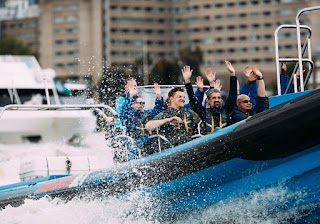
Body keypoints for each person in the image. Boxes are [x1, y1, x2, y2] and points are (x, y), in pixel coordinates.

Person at [181, 60, 238, 133]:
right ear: (208, 100)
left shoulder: (226, 110)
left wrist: (232, 74)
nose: (217, 100)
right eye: (214, 98)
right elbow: (193, 99)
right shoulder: (203, 112)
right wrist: (187, 81)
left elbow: (233, 95)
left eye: (219, 98)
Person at [119, 83, 164, 159]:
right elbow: (126, 114)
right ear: (132, 104)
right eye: (139, 103)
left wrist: (158, 97)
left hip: (148, 143)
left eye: (143, 103)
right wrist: (130, 96)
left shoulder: (146, 114)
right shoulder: (129, 115)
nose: (141, 105)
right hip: (136, 145)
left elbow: (157, 112)